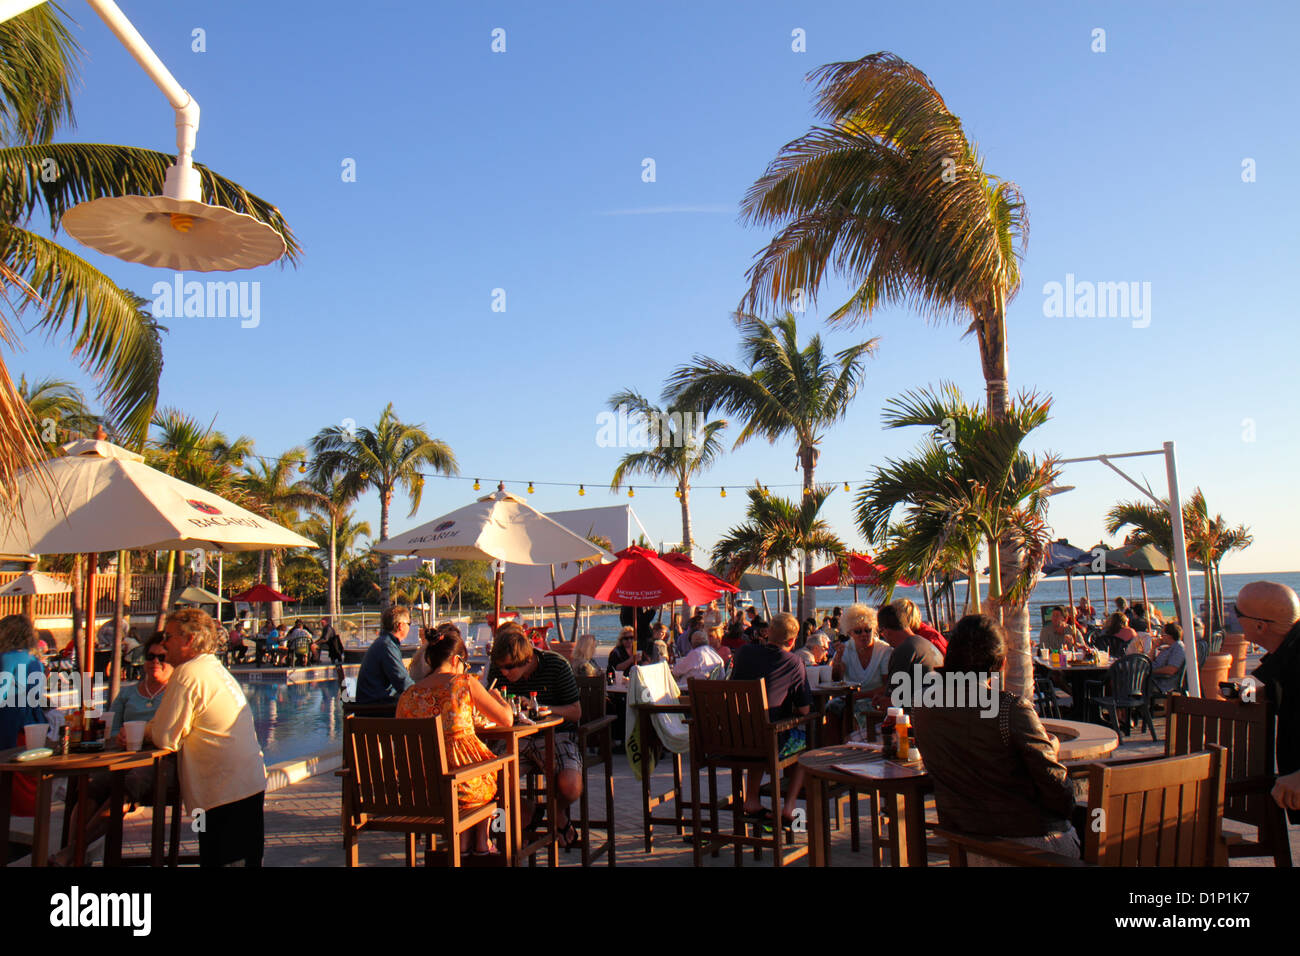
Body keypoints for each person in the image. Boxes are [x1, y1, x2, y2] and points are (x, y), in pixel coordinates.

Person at [911, 614, 1079, 863]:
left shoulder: (922, 707)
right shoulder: (1009, 709)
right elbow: (1056, 788)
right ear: (1000, 663)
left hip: (966, 840)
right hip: (1028, 841)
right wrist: (1051, 750)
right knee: (1103, 822)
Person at [145, 608, 267, 866]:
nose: (164, 642)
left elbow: (166, 737)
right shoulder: (211, 668)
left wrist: (139, 730)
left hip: (225, 792)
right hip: (245, 784)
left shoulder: (188, 674)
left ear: (188, 639)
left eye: (169, 636)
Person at [56, 633, 179, 864]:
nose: (155, 662)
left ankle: (73, 852)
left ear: (171, 660)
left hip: (159, 761)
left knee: (128, 784)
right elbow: (111, 730)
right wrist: (119, 738)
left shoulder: (176, 693)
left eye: (162, 658)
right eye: (150, 657)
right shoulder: (128, 693)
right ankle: (76, 856)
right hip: (124, 757)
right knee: (91, 787)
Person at [396, 630, 513, 855]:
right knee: (498, 772)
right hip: (459, 787)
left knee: (475, 773)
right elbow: (506, 720)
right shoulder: (463, 683)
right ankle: (484, 839)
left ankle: (466, 843)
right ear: (456, 660)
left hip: (420, 791)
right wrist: (501, 701)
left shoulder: (408, 695)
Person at [485, 623, 584, 847]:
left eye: (509, 668)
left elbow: (576, 712)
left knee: (571, 786)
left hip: (555, 733)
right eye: (500, 668)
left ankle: (555, 812)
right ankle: (526, 810)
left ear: (527, 660)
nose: (503, 673)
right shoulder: (497, 670)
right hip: (514, 736)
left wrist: (546, 709)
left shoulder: (556, 666)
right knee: (489, 782)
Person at [730, 612, 811, 827]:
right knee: (805, 746)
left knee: (759, 727)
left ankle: (752, 800)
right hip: (767, 742)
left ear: (767, 633)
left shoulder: (744, 652)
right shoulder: (794, 662)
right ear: (792, 641)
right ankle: (789, 806)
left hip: (734, 739)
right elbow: (804, 710)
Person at [1234, 582, 1300, 819]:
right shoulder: (1287, 650)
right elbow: (1263, 686)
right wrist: (1239, 692)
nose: (1235, 618)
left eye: (1237, 613)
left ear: (1260, 625)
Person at [872, 603, 944, 710]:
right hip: (938, 707)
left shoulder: (903, 650)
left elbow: (891, 702)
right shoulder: (924, 643)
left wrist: (879, 702)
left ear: (886, 631)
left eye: (881, 632)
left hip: (921, 715)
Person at [355, 605, 415, 705]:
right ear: (400, 626)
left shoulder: (384, 642)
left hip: (373, 701)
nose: (409, 627)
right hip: (377, 706)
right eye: (409, 623)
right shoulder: (387, 646)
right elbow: (404, 684)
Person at [832, 605, 892, 692]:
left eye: (868, 630)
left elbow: (887, 687)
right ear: (850, 633)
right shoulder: (845, 649)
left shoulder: (884, 650)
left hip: (874, 700)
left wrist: (858, 697)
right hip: (850, 698)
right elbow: (836, 679)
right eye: (858, 631)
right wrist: (838, 659)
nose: (864, 634)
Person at [1150, 622, 1186, 693]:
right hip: (1153, 678)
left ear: (1169, 636)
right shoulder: (1168, 647)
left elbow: (1171, 669)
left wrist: (1150, 672)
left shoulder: (1178, 648)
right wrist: (1154, 647)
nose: (1161, 636)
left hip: (1159, 682)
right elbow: (1150, 661)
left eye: (1162, 634)